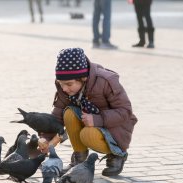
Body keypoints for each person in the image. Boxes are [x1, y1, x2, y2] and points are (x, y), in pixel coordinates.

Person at [41, 48, 137, 176]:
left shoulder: (106, 80)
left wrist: (97, 119)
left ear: (83, 78)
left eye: (69, 84)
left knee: (87, 134)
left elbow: (125, 111)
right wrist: (45, 138)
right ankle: (79, 159)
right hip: (89, 122)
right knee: (68, 112)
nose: (64, 89)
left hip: (115, 129)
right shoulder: (64, 86)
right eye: (61, 83)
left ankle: (117, 154)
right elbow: (57, 114)